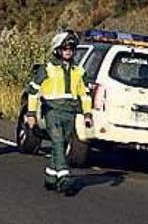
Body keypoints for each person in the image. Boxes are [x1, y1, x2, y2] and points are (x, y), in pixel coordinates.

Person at [24, 30, 91, 196]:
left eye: (71, 48)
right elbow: (33, 91)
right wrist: (31, 113)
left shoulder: (79, 71)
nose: (68, 51)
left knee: (59, 145)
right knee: (58, 141)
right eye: (65, 48)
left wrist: (88, 113)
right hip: (52, 111)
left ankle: (51, 177)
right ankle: (63, 175)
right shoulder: (46, 69)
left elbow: (85, 94)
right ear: (57, 50)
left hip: (71, 112)